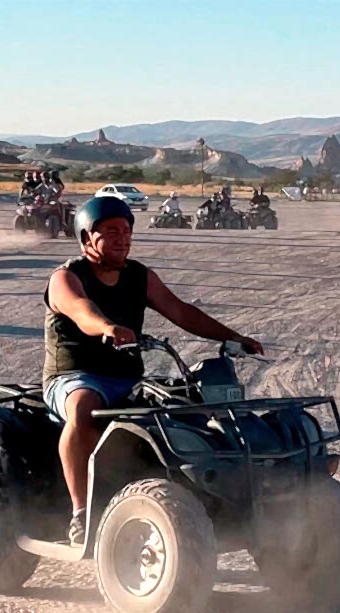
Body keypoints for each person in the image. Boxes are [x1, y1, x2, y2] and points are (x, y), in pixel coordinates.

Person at [44, 196, 263, 544]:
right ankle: (81, 512)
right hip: (74, 377)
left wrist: (234, 337)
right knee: (83, 409)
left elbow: (181, 311)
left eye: (127, 231)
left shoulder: (139, 276)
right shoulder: (67, 277)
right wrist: (106, 327)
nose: (122, 238)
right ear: (87, 238)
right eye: (111, 231)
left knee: (191, 409)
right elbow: (80, 309)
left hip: (129, 380)